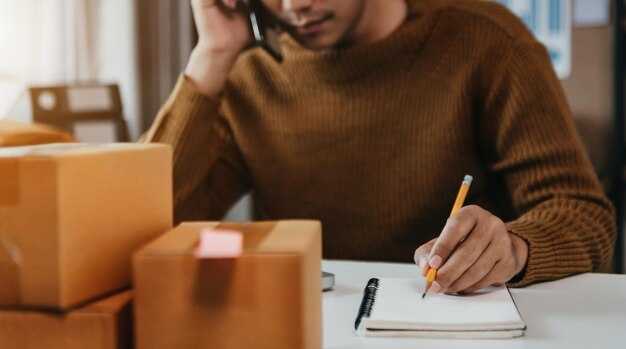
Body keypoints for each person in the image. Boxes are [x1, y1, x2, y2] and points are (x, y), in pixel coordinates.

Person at [142, 0, 616, 294]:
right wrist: (211, 54)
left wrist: (515, 248)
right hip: (308, 327)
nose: (296, 4)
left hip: (451, 323)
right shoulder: (247, 72)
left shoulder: (487, 41)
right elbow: (145, 225)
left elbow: (582, 212)